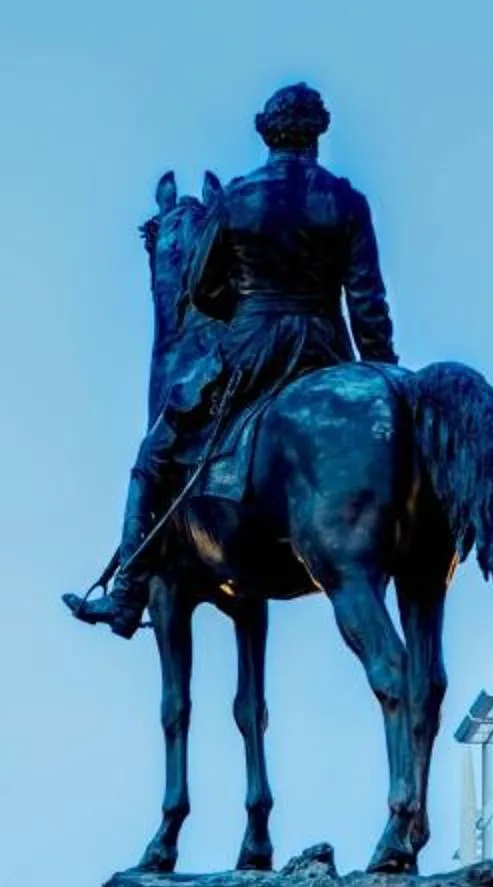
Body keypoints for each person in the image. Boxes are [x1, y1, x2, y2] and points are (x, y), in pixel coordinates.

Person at [66, 82, 397, 639]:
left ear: (267, 133)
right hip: (326, 352)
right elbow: (367, 302)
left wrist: (238, 310)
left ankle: (126, 595)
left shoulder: (237, 199)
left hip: (252, 348)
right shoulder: (346, 200)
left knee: (155, 452)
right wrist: (380, 379)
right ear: (317, 134)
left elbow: (199, 288)